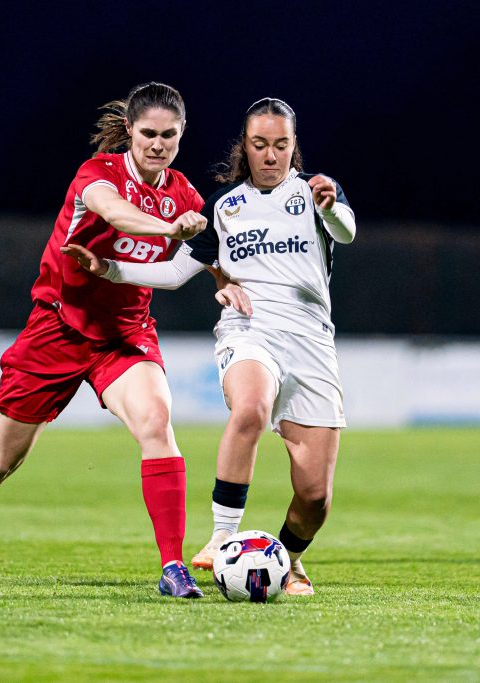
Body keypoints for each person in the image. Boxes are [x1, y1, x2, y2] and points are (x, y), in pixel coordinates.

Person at [0, 83, 212, 598]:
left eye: (169, 135)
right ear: (130, 131)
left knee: (156, 423)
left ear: (182, 134)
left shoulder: (184, 193)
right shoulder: (97, 175)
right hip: (57, 327)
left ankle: (171, 567)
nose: (158, 144)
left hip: (124, 334)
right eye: (148, 134)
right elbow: (118, 214)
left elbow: (210, 250)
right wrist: (172, 228)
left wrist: (225, 282)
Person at [63, 97, 356, 595]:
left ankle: (292, 558)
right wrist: (110, 269)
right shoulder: (223, 206)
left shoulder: (315, 194)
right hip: (250, 329)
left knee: (315, 497)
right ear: (245, 146)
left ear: (293, 147)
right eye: (260, 144)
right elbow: (176, 271)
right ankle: (222, 539)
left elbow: (345, 233)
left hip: (311, 344)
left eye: (281, 145)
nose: (270, 155)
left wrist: (329, 207)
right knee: (250, 408)